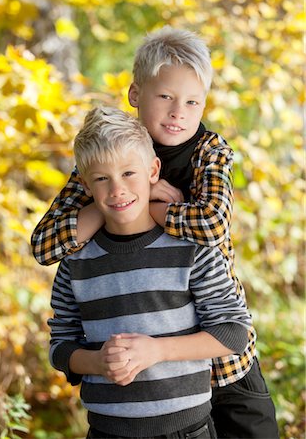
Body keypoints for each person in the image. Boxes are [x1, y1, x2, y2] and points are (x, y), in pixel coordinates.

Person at [33, 27, 279, 438]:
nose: (178, 111)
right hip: (148, 364)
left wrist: (154, 207)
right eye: (165, 97)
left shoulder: (209, 152)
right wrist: (131, 198)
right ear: (135, 96)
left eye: (192, 101)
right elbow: (44, 245)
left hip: (218, 348)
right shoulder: (112, 154)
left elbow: (213, 224)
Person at [48, 106, 252, 439]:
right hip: (106, 431)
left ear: (153, 170)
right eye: (102, 178)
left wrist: (157, 351)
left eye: (129, 173)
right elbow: (60, 346)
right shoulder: (76, 262)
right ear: (85, 185)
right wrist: (97, 362)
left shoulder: (190, 248)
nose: (117, 189)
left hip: (188, 430)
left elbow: (233, 332)